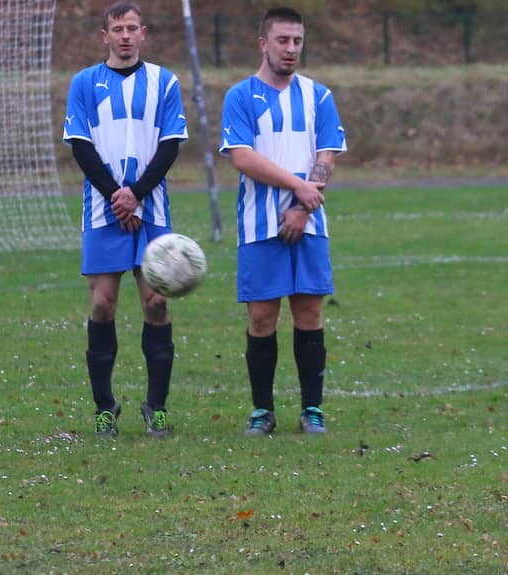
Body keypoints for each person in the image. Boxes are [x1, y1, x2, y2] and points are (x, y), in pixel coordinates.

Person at [62, 1, 188, 437]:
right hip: (103, 208)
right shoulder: (84, 83)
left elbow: (170, 145)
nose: (126, 36)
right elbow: (80, 145)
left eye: (132, 28)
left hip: (151, 208)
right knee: (102, 303)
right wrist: (117, 197)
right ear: (105, 36)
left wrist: (136, 195)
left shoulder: (164, 82)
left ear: (143, 33)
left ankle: (157, 406)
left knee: (155, 303)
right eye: (117, 29)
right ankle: (104, 407)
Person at [219, 6, 347, 436]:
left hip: (309, 221)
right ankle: (262, 410)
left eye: (297, 41)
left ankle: (312, 409)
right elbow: (242, 157)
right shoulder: (240, 96)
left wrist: (303, 205)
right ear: (263, 44)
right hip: (259, 223)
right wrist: (298, 187)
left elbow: (326, 155)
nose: (291, 49)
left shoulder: (318, 96)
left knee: (309, 312)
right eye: (282, 40)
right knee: (261, 316)